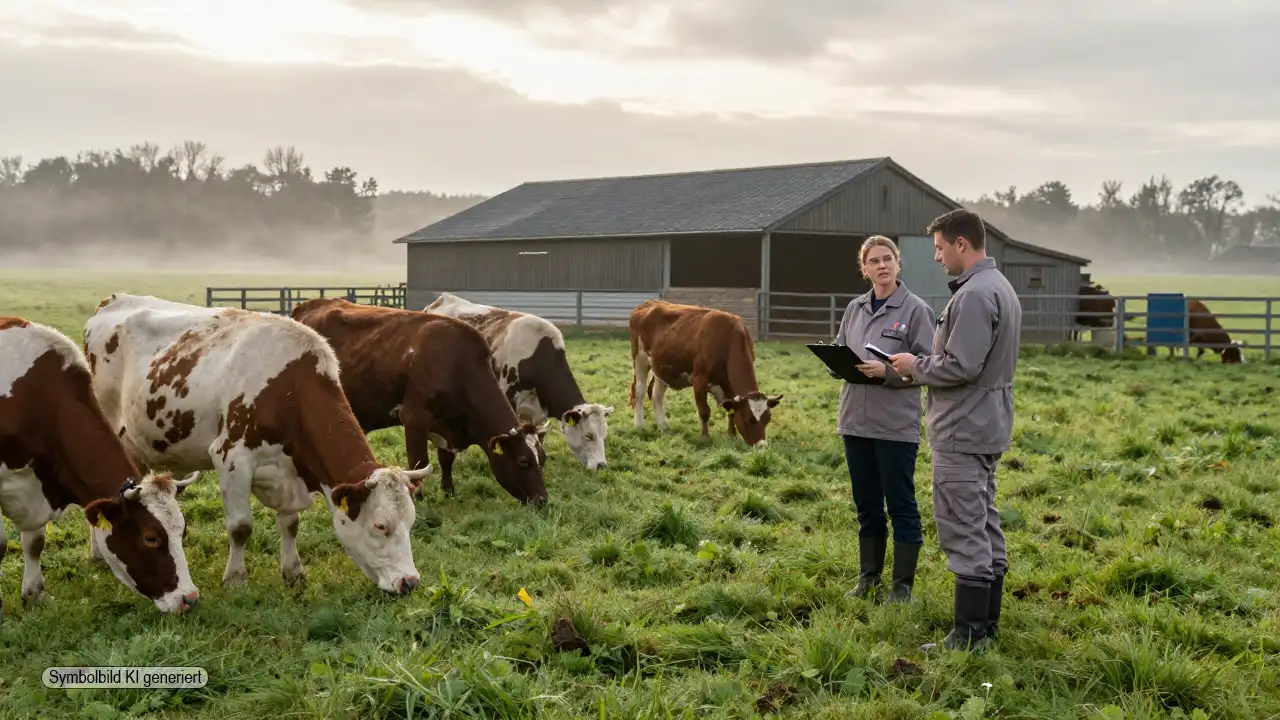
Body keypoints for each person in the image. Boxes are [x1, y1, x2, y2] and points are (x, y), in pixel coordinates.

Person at [889, 208, 1022, 652]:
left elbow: (961, 365)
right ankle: (986, 626)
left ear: (961, 244)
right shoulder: (999, 287)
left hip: (963, 425)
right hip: (988, 420)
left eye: (941, 248)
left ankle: (966, 635)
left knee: (962, 523)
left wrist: (914, 365)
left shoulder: (974, 296)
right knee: (983, 519)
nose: (939, 257)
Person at [830, 235, 935, 604]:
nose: (881, 266)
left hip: (895, 426)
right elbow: (841, 344)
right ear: (864, 268)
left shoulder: (916, 310)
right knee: (867, 504)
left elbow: (928, 367)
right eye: (873, 261)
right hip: (855, 422)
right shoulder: (855, 308)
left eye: (887, 259)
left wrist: (887, 373)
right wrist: (836, 363)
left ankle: (902, 587)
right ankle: (868, 578)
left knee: (901, 504)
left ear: (898, 263)